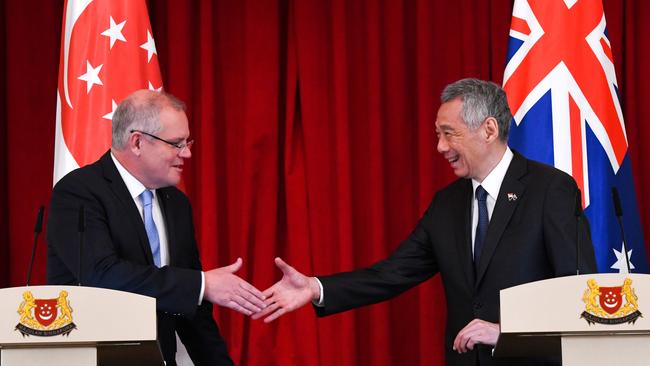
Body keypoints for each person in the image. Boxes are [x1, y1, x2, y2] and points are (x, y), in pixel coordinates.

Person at [253, 78, 597, 366]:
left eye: (449, 134)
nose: (439, 146)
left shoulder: (550, 189)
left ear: (489, 129)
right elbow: (393, 273)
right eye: (438, 134)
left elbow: (577, 293)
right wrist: (316, 287)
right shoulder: (447, 204)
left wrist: (506, 332)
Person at [47, 90, 265, 365]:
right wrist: (202, 283)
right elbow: (100, 276)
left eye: (187, 142)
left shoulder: (177, 203)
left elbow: (191, 312)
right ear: (137, 142)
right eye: (176, 143)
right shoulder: (79, 191)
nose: (186, 153)